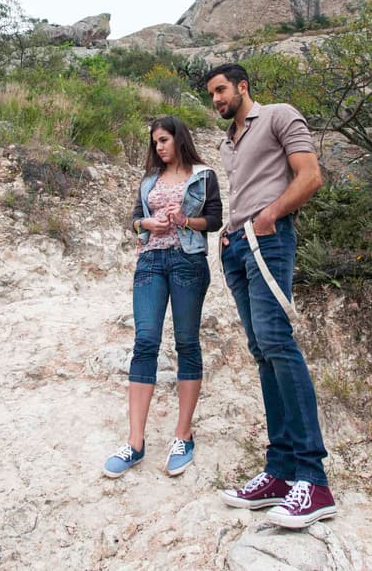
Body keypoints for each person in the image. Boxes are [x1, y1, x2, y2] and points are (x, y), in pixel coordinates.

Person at [204, 62, 335, 529]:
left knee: (279, 344)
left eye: (221, 90)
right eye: (212, 95)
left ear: (243, 86)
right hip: (237, 246)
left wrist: (269, 216)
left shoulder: (279, 115)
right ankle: (280, 472)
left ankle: (313, 481)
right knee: (262, 352)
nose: (217, 100)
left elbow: (310, 176)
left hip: (269, 239)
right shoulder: (227, 143)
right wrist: (228, 233)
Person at [103, 116, 222, 478]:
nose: (159, 147)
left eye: (165, 140)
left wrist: (185, 220)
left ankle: (183, 436)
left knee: (186, 342)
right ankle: (135, 443)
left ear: (180, 139)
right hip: (150, 261)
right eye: (155, 142)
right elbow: (135, 219)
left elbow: (214, 220)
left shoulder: (203, 175)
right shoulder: (149, 181)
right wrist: (146, 224)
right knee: (145, 343)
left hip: (187, 261)